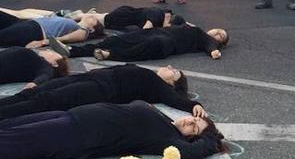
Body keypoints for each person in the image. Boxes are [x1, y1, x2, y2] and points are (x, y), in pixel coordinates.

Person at [0, 100, 226, 159]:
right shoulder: (165, 121)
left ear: (191, 139)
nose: (189, 123)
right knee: (8, 126)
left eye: (194, 130)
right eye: (193, 120)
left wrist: (211, 140)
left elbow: (190, 153)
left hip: (76, 134)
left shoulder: (168, 139)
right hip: (71, 116)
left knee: (8, 142)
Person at [0, 64, 204, 120]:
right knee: (35, 91)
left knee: (43, 101)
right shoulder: (148, 73)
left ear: (172, 83)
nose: (169, 67)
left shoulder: (159, 87)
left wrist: (195, 105)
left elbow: (176, 100)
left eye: (174, 72)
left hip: (99, 89)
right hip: (89, 78)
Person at [51, 24, 228, 62]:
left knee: (139, 48)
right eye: (219, 30)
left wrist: (213, 50)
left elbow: (209, 43)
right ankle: (73, 51)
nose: (218, 33)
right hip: (155, 32)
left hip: (166, 42)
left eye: (221, 36)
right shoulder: (194, 26)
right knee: (116, 39)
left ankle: (109, 55)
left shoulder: (203, 36)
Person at [0, 7, 104, 48]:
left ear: (92, 29)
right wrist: (86, 14)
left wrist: (44, 42)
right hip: (28, 24)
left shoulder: (82, 31)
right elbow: (77, 14)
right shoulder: (73, 22)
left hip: (33, 30)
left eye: (94, 19)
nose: (92, 16)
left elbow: (76, 36)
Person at [0, 47, 68, 89]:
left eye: (52, 53)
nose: (48, 50)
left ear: (55, 64)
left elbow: (46, 75)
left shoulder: (44, 65)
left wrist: (35, 83)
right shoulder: (37, 59)